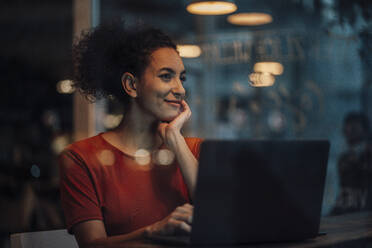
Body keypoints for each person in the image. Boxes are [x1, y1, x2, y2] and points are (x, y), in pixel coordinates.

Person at [59, 20, 203, 247]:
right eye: (167, 76)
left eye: (181, 78)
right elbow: (92, 245)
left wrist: (176, 139)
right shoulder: (81, 158)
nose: (181, 89)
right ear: (131, 85)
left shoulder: (193, 150)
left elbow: (219, 220)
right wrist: (155, 231)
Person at [331, 111, 372, 215]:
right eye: (347, 128)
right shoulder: (344, 158)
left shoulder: (367, 155)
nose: (349, 131)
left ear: (365, 130)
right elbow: (345, 193)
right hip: (348, 210)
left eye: (354, 128)